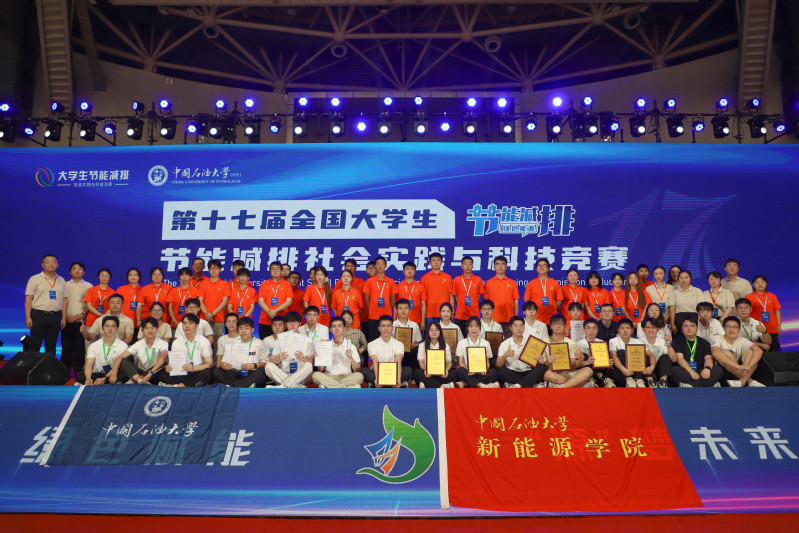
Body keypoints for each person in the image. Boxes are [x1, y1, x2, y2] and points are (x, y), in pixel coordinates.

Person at [152, 313, 213, 387]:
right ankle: (190, 383)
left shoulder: (204, 341)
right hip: (181, 372)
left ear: (197, 325)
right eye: (185, 323)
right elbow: (173, 362)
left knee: (208, 372)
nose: (187, 325)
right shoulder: (176, 342)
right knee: (161, 371)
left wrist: (194, 368)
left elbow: (209, 363)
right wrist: (169, 367)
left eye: (191, 323)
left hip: (197, 371)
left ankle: (180, 385)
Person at [110, 317, 168, 385]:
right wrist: (113, 374)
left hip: (154, 372)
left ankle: (140, 380)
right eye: (147, 328)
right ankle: (139, 380)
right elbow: (119, 357)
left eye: (153, 328)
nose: (150, 331)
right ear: (142, 330)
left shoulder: (163, 343)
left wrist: (151, 372)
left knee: (164, 363)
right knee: (123, 360)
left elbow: (164, 356)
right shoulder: (138, 344)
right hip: (141, 373)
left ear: (157, 329)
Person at [212, 316, 268, 387]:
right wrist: (223, 364)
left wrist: (254, 365)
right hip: (235, 372)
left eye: (247, 328)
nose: (243, 331)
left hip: (251, 372)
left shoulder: (260, 343)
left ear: (252, 330)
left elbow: (265, 363)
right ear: (238, 330)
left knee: (262, 372)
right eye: (241, 328)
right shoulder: (232, 343)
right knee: (216, 371)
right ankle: (245, 384)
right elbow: (223, 362)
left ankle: (233, 385)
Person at [667, 314, 721, 388]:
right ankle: (708, 384)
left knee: (718, 369)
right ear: (682, 328)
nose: (689, 328)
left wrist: (707, 369)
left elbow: (708, 358)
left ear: (697, 328)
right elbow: (680, 359)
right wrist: (691, 371)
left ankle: (690, 385)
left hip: (701, 371)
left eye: (692, 326)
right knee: (674, 370)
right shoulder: (677, 341)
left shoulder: (704, 342)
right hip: (686, 371)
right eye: (686, 326)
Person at [264, 311, 315, 388]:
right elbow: (272, 361)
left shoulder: (307, 340)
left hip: (301, 375)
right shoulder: (280, 339)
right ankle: (295, 385)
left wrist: (303, 358)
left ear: (300, 324)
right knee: (268, 366)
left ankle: (283, 386)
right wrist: (278, 358)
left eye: (295, 322)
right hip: (284, 374)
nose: (292, 325)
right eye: (289, 322)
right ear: (285, 324)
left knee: (308, 365)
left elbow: (310, 362)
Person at [711, 316, 765, 387]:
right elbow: (715, 353)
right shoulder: (717, 337)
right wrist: (738, 367)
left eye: (735, 327)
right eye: (728, 327)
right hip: (723, 371)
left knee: (751, 353)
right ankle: (749, 381)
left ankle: (741, 382)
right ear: (723, 328)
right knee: (725, 352)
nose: (731, 329)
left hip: (742, 370)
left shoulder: (742, 340)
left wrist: (749, 365)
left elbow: (759, 351)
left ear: (739, 329)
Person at [312, 317, 364, 388]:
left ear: (344, 329)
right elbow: (320, 370)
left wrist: (351, 357)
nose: (336, 328)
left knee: (359, 376)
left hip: (347, 376)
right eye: (334, 326)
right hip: (329, 376)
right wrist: (319, 357)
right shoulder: (325, 346)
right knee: (315, 375)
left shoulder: (351, 346)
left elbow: (357, 369)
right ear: (330, 329)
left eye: (339, 326)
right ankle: (344, 387)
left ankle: (331, 387)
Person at [495, 315, 546, 388]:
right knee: (501, 371)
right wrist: (505, 355)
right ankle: (529, 383)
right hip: (512, 372)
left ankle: (517, 385)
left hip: (527, 371)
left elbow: (537, 361)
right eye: (516, 326)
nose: (519, 328)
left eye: (521, 326)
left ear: (524, 328)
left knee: (542, 367)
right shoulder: (505, 344)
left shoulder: (531, 342)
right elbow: (498, 365)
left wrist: (539, 360)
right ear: (511, 328)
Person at [544, 315, 595, 388]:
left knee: (588, 370)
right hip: (553, 373)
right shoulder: (544, 342)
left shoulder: (571, 343)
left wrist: (580, 359)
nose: (558, 326)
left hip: (569, 372)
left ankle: (562, 387)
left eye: (561, 324)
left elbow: (573, 366)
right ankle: (576, 384)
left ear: (565, 326)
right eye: (555, 324)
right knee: (547, 374)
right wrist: (547, 362)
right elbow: (542, 366)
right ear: (551, 326)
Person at [362, 315, 412, 388]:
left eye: (388, 326)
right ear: (379, 328)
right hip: (377, 372)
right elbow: (375, 361)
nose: (386, 329)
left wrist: (398, 378)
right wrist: (378, 379)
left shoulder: (399, 344)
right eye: (383, 326)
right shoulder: (371, 344)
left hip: (393, 373)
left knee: (408, 370)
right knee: (363, 371)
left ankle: (393, 382)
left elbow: (398, 361)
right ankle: (380, 382)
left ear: (392, 328)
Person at [77, 316, 129, 385]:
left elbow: (119, 366)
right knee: (80, 375)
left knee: (124, 374)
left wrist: (105, 378)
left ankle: (102, 382)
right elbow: (89, 365)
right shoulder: (94, 345)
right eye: (107, 326)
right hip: (98, 374)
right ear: (102, 328)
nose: (110, 329)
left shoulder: (123, 346)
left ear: (117, 328)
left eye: (113, 326)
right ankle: (101, 382)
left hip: (113, 374)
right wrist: (88, 378)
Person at [61, 261, 91, 375]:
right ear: (70, 272)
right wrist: (66, 316)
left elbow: (91, 304)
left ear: (83, 272)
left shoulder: (89, 286)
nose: (77, 271)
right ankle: (65, 371)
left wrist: (83, 314)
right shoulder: (64, 285)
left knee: (80, 347)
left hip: (81, 321)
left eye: (80, 269)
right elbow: (60, 302)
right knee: (66, 346)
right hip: (67, 320)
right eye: (74, 268)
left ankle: (78, 371)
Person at [607, 318, 654, 387]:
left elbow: (650, 355)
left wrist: (652, 367)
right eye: (622, 328)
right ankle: (629, 379)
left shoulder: (638, 342)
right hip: (621, 370)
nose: (625, 331)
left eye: (627, 328)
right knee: (621, 352)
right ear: (618, 330)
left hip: (635, 369)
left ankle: (639, 379)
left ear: (632, 330)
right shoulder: (613, 341)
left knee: (642, 355)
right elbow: (614, 356)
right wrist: (624, 370)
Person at [455, 316, 498, 388]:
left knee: (493, 372)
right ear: (467, 328)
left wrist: (485, 369)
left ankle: (467, 383)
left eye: (476, 326)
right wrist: (468, 369)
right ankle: (482, 385)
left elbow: (487, 363)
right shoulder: (461, 343)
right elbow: (461, 362)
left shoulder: (485, 343)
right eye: (471, 326)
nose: (474, 329)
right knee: (460, 370)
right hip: (468, 371)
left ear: (480, 328)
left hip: (481, 373)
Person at [413, 322, 457, 389]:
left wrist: (446, 370)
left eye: (436, 330)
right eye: (431, 330)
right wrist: (426, 370)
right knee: (417, 373)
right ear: (428, 332)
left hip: (441, 373)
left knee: (453, 374)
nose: (434, 332)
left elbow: (449, 362)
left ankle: (427, 384)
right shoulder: (422, 345)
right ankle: (442, 386)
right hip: (428, 373)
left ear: (440, 332)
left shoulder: (445, 345)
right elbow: (421, 361)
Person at [483, 256, 519, 335]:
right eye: (497, 264)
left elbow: (515, 301)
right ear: (494, 267)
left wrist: (515, 318)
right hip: (492, 320)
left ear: (506, 267)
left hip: (509, 320)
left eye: (502, 264)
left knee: (509, 342)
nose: (500, 266)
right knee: (493, 342)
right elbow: (485, 302)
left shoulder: (512, 283)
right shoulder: (488, 283)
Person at [363, 256, 397, 341]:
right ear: (375, 266)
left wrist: (388, 308)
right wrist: (372, 307)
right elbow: (367, 299)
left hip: (387, 315)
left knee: (387, 339)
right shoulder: (369, 281)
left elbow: (393, 300)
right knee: (373, 340)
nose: (380, 266)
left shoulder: (391, 281)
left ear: (385, 266)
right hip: (373, 316)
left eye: (382, 264)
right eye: (378, 264)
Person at [258, 261, 294, 339]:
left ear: (281, 271)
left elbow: (289, 301)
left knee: (282, 344)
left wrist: (275, 311)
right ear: (270, 271)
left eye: (277, 269)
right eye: (273, 269)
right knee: (265, 344)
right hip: (265, 320)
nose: (275, 271)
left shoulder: (287, 284)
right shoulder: (264, 284)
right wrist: (269, 312)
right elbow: (260, 301)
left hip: (282, 320)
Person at [198, 259, 230, 346]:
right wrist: (206, 314)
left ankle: (217, 357)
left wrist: (212, 313)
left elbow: (224, 301)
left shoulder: (224, 284)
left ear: (220, 270)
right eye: (211, 268)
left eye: (216, 268)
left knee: (218, 343)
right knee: (203, 342)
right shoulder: (203, 284)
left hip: (218, 318)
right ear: (208, 270)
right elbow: (200, 300)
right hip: (204, 318)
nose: (214, 270)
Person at [746, 275, 782, 352]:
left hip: (772, 327)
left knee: (774, 350)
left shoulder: (772, 296)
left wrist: (779, 326)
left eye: (762, 282)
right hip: (756, 327)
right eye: (757, 282)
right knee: (758, 351)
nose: (760, 284)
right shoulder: (749, 297)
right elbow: (746, 312)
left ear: (766, 284)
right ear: (753, 285)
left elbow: (777, 312)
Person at [523, 258, 562, 328]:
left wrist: (552, 308)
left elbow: (559, 299)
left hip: (551, 319)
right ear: (536, 269)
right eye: (539, 265)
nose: (541, 267)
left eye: (544, 265)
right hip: (536, 319)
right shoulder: (531, 284)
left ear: (548, 269)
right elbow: (527, 301)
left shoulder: (555, 283)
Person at [451, 255, 483, 336]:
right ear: (461, 266)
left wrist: (472, 303)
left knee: (474, 337)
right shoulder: (457, 280)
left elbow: (478, 296)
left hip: (474, 314)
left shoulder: (478, 280)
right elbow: (456, 297)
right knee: (459, 338)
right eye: (465, 264)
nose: (467, 266)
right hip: (460, 315)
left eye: (470, 264)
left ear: (473, 266)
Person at [576, 318, 612, 387]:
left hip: (600, 367)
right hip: (586, 369)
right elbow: (577, 364)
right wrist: (587, 362)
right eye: (588, 328)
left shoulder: (602, 343)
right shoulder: (578, 344)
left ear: (597, 330)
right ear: (584, 330)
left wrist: (609, 362)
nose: (591, 331)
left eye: (594, 328)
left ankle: (601, 380)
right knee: (585, 356)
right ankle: (601, 377)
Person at [667, 270, 704, 334]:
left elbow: (701, 309)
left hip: (694, 319)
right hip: (679, 320)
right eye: (681, 278)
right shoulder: (674, 293)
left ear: (690, 279)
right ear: (678, 279)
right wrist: (672, 324)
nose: (684, 280)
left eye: (686, 277)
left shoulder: (697, 291)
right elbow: (672, 309)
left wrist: (699, 323)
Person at [420, 252, 451, 328]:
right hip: (429, 313)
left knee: (443, 334)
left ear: (441, 262)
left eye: (438, 260)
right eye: (434, 260)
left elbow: (451, 297)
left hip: (444, 313)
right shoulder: (424, 278)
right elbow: (422, 300)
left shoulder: (448, 277)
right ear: (430, 263)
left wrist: (452, 312)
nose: (436, 262)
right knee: (429, 333)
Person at [639, 317, 672, 387]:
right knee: (644, 356)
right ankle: (651, 381)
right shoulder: (638, 342)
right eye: (648, 327)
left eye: (653, 327)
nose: (651, 330)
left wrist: (668, 344)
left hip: (659, 370)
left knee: (666, 357)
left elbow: (674, 359)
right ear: (643, 329)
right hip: (646, 372)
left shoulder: (662, 342)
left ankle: (663, 381)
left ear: (658, 329)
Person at [393, 299, 423, 370]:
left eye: (406, 308)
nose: (403, 311)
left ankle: (414, 373)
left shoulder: (414, 325)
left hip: (410, 353)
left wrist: (415, 344)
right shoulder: (392, 325)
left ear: (409, 310)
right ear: (396, 310)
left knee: (417, 350)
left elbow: (419, 342)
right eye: (400, 308)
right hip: (395, 353)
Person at [396, 262, 427, 326]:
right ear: (403, 271)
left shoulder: (420, 287)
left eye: (412, 269)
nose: (409, 271)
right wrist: (394, 321)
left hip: (417, 320)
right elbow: (395, 306)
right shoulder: (398, 287)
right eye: (407, 269)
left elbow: (423, 305)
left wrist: (423, 321)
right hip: (401, 321)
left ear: (415, 271)